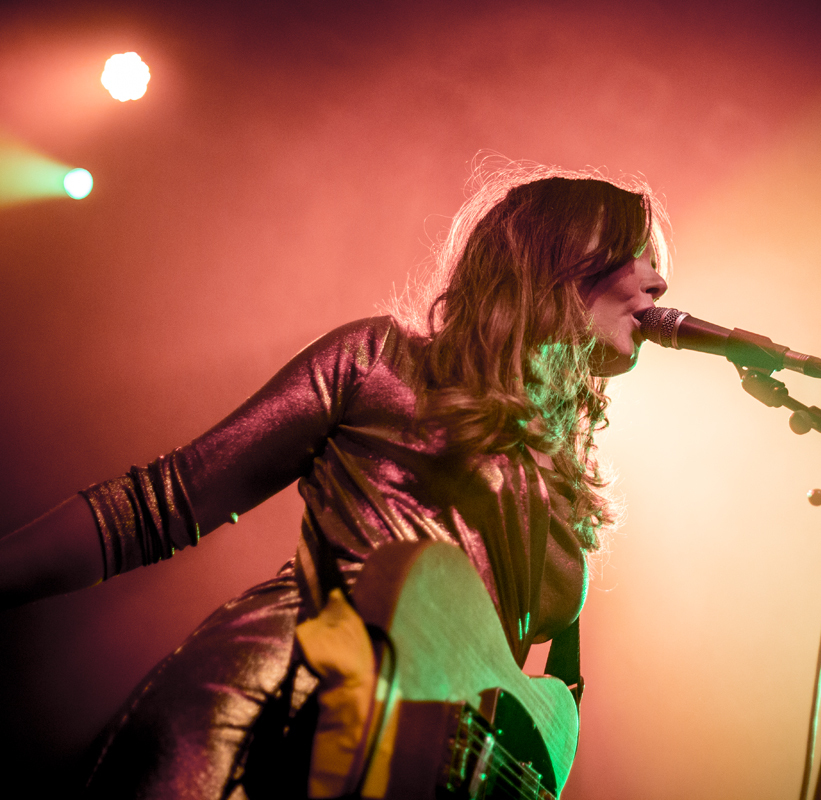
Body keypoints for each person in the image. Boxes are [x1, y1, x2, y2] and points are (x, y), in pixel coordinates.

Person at [0, 165, 670, 797]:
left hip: (400, 771)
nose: (661, 286)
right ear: (560, 251)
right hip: (282, 712)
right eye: (638, 251)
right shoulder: (384, 361)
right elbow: (159, 504)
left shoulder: (565, 469)